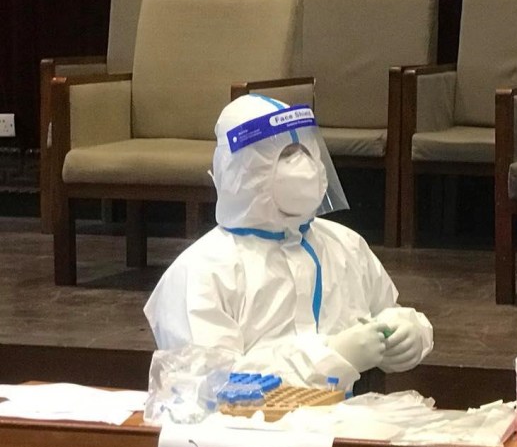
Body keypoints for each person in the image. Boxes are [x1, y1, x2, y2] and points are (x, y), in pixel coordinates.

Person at [145, 94, 433, 392]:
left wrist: (408, 332)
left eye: (304, 150)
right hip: (250, 423)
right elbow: (210, 384)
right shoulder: (201, 271)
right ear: (240, 171)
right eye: (284, 154)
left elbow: (385, 311)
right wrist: (329, 358)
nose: (301, 165)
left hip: (347, 417)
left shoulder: (345, 245)